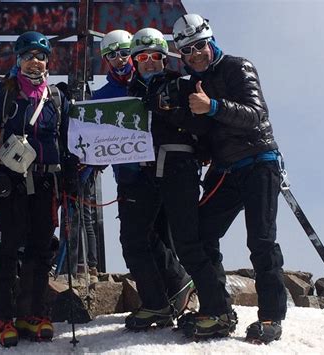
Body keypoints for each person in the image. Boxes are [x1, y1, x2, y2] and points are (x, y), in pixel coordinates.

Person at [167, 14, 287, 343]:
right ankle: (218, 309)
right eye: (187, 51)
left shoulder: (238, 67)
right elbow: (205, 130)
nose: (195, 55)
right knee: (201, 233)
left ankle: (271, 317)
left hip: (259, 162)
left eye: (199, 46)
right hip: (225, 170)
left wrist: (213, 107)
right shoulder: (193, 83)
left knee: (261, 240)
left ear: (211, 41)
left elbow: (257, 115)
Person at [0, 31, 77, 347]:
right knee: (5, 251)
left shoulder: (58, 99)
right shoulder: (3, 95)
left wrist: (70, 170)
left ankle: (33, 313)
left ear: (48, 61)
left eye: (40, 56)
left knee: (40, 249)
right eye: (28, 55)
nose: (35, 61)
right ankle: (2, 317)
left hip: (46, 182)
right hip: (11, 183)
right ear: (17, 60)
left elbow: (69, 139)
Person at [115, 27, 201, 331]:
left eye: (156, 56)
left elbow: (198, 123)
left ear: (164, 58)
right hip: (143, 173)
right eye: (143, 56)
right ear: (135, 60)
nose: (150, 62)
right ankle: (157, 303)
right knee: (135, 236)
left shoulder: (180, 85)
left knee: (184, 237)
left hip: (176, 169)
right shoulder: (131, 91)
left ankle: (207, 304)